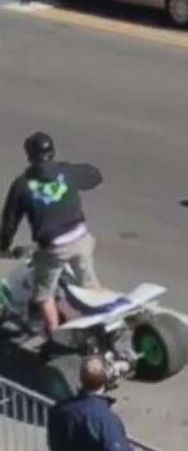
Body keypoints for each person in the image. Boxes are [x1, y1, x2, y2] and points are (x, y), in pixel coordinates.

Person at [0, 133, 103, 338]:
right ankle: (101, 323)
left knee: (43, 294)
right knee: (88, 284)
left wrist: (2, 246)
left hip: (55, 248)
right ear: (52, 152)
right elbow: (95, 175)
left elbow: (9, 223)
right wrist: (72, 172)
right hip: (82, 239)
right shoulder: (65, 172)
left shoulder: (22, 185)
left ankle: (55, 336)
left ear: (29, 156)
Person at [48, 356, 137, 451]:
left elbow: (54, 445)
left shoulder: (59, 410)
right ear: (104, 380)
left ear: (81, 379)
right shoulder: (107, 420)